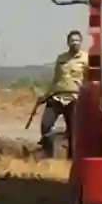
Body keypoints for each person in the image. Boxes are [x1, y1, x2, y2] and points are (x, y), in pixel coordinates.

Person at [40, 30, 86, 158]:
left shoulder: (86, 59)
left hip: (74, 98)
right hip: (57, 96)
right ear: (68, 43)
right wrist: (45, 95)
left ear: (81, 42)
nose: (74, 43)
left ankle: (72, 159)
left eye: (77, 40)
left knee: (73, 131)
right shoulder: (61, 58)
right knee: (45, 125)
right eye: (72, 40)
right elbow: (55, 79)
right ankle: (47, 152)